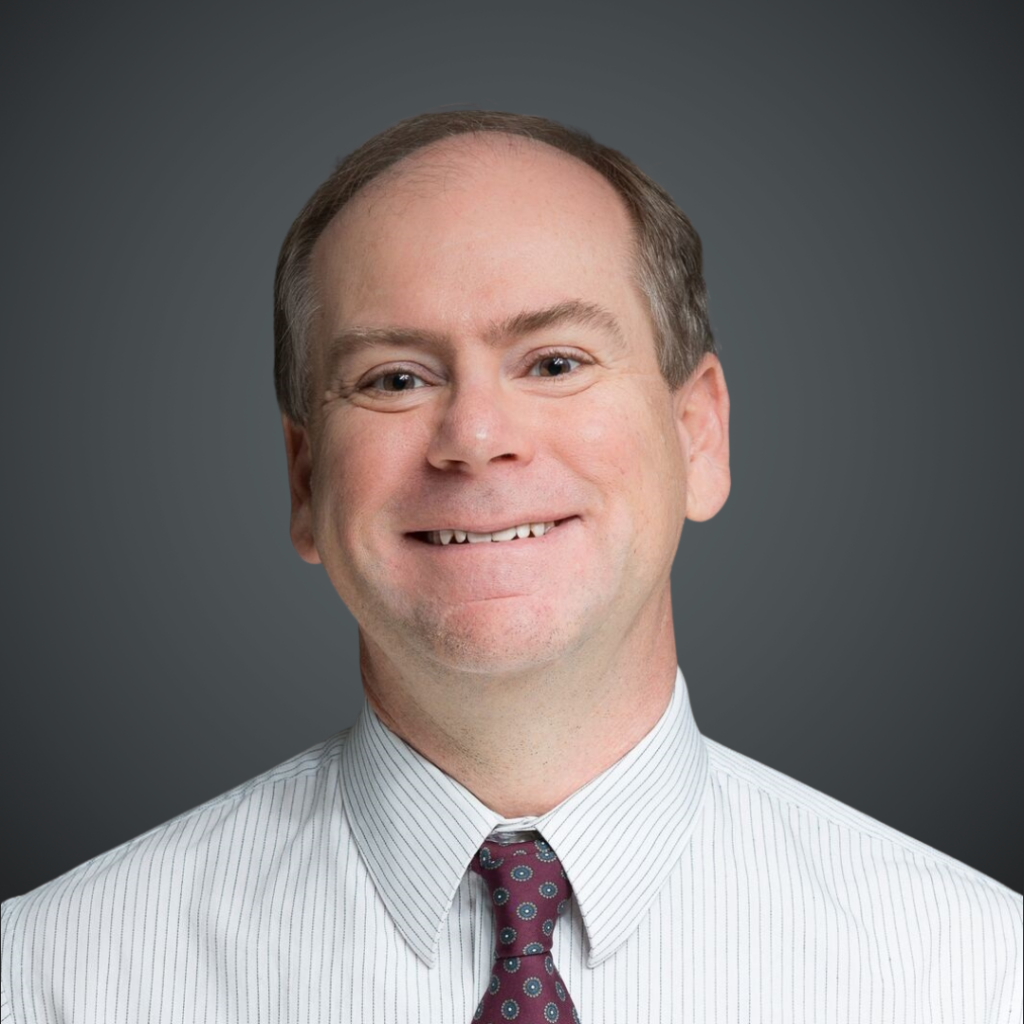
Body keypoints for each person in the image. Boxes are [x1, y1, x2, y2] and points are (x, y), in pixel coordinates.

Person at [2, 110, 1020, 1024]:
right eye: (394, 378)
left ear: (697, 435)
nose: (477, 438)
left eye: (555, 362)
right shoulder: (50, 980)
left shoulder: (974, 975)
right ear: (306, 481)